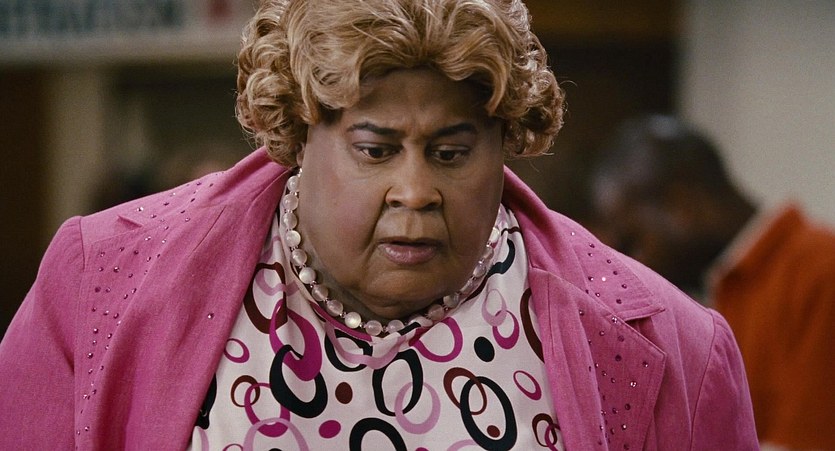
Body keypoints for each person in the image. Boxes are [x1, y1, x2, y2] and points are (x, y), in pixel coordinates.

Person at [0, 2, 757, 449]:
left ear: (506, 143)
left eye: (452, 152)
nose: (416, 191)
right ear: (299, 134)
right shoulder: (97, 283)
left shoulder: (678, 350)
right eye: (376, 149)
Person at [589, 114, 835, 450]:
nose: (633, 263)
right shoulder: (712, 290)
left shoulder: (822, 272)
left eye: (633, 241)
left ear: (682, 204)